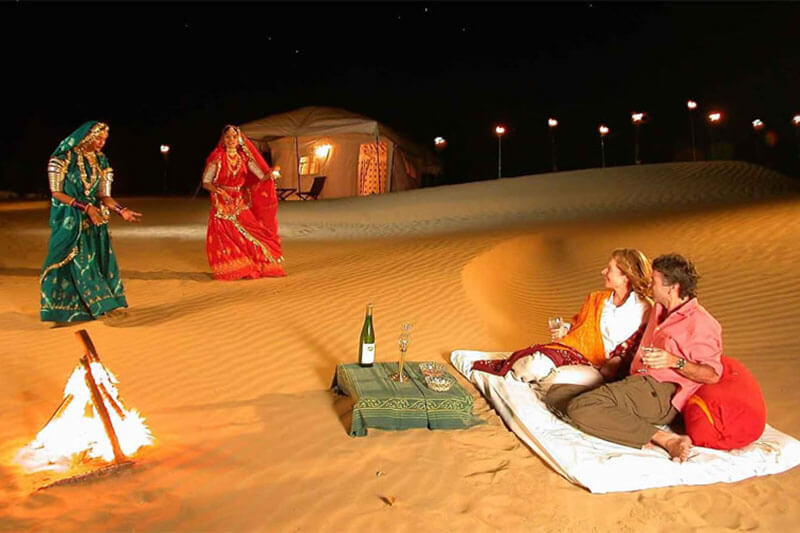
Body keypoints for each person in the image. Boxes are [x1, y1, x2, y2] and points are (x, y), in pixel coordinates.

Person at [549, 253, 723, 462]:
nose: (649, 285)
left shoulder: (701, 323)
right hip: (636, 382)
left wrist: (674, 361)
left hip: (662, 392)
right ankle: (626, 424)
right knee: (556, 395)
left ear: (672, 288)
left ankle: (666, 439)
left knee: (581, 407)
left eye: (654, 281)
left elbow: (712, 375)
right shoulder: (658, 309)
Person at [472, 248, 652, 382]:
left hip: (604, 368)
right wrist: (565, 330)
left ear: (625, 276)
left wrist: (616, 362)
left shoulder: (645, 308)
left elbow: (640, 345)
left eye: (609, 269)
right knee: (530, 366)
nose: (603, 272)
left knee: (553, 378)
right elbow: (580, 328)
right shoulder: (597, 299)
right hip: (575, 352)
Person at [40, 121, 142, 323]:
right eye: (98, 138)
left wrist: (121, 211)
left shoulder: (101, 161)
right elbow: (56, 193)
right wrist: (85, 207)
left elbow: (104, 196)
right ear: (87, 137)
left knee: (95, 262)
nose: (102, 143)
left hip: (95, 221)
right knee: (78, 261)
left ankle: (101, 305)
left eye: (105, 139)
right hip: (71, 220)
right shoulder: (61, 160)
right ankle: (84, 307)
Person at [202, 125, 285, 280]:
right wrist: (220, 192)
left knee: (252, 231)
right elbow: (206, 182)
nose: (231, 140)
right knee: (226, 237)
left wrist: (273, 170)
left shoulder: (244, 158)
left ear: (239, 139)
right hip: (222, 203)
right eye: (228, 137)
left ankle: (255, 264)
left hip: (239, 200)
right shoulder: (217, 158)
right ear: (223, 139)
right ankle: (234, 268)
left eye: (234, 136)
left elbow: (261, 177)